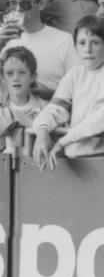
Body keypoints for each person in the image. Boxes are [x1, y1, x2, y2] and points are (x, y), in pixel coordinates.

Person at [33, 16, 104, 171]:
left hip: (100, 160)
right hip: (73, 161)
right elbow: (55, 109)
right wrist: (42, 131)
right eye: (82, 43)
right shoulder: (74, 74)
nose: (88, 49)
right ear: (76, 47)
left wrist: (62, 142)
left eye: (95, 42)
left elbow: (100, 119)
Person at [0, 46, 46, 152]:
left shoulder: (45, 108)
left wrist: (22, 119)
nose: (16, 78)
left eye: (22, 73)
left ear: (33, 76)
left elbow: (53, 145)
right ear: (2, 78)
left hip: (34, 166)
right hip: (2, 166)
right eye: (10, 73)